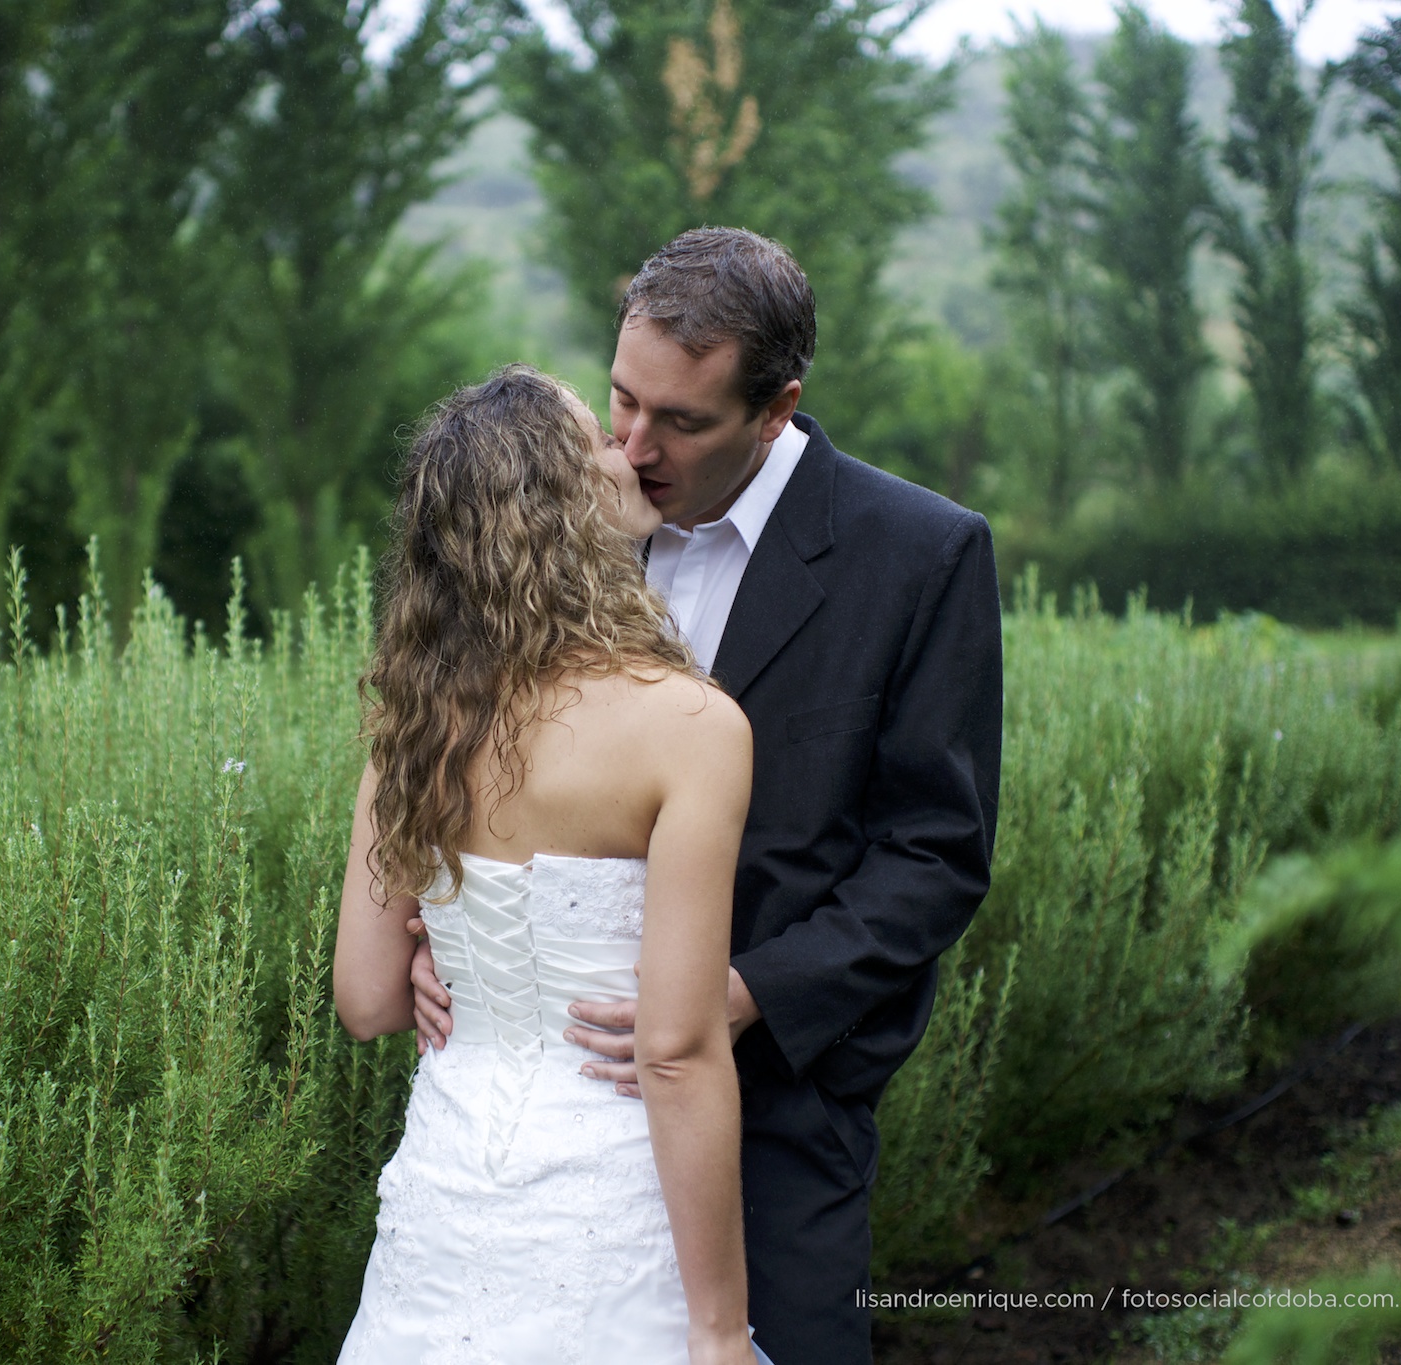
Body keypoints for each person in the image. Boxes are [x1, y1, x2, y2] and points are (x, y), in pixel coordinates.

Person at [408, 228, 1005, 1363]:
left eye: (679, 422)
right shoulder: (567, 523)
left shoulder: (918, 556)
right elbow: (470, 755)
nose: (632, 447)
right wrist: (456, 931)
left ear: (775, 409)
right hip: (551, 1139)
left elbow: (934, 855)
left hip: (777, 1105)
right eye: (621, 401)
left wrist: (740, 995)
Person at [332, 364, 766, 1365]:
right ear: (564, 505)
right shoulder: (688, 726)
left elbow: (364, 999)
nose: (630, 456)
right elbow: (673, 1051)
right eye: (600, 444)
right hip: (611, 1214)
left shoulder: (411, 723)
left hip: (441, 1210)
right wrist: (715, 1329)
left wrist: (446, 961)